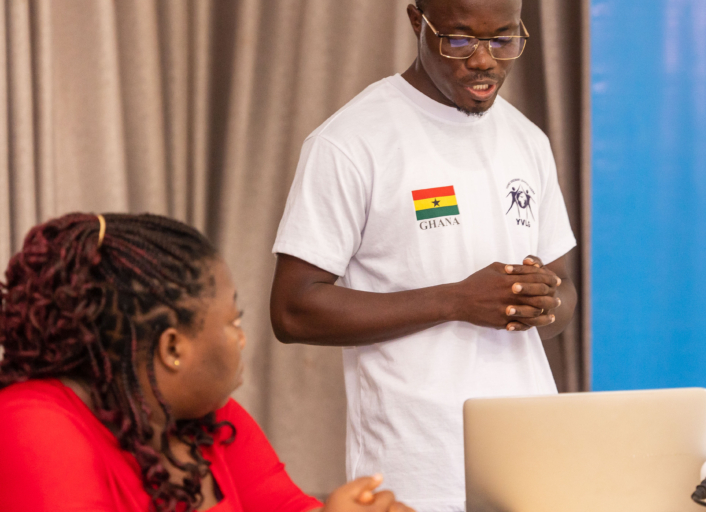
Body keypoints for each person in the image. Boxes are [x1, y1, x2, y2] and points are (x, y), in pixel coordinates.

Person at [270, 0, 579, 512]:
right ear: (418, 22)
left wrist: (542, 302)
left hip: (530, 464)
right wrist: (456, 301)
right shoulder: (351, 142)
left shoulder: (528, 140)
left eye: (504, 38)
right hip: (416, 474)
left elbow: (564, 300)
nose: (484, 61)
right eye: (459, 39)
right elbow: (292, 309)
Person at [0, 212, 413, 512]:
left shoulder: (209, 420)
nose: (242, 339)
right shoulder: (32, 426)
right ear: (173, 348)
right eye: (233, 322)